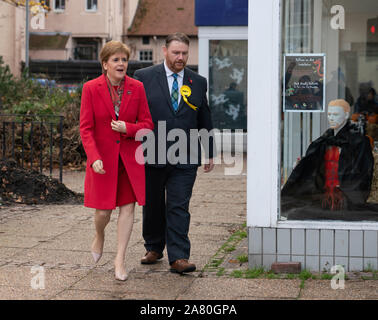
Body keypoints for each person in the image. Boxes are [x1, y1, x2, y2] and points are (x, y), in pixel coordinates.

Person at [134, 33, 216, 274]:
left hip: (186, 155)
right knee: (153, 204)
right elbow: (134, 114)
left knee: (179, 205)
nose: (180, 57)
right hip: (151, 152)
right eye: (176, 53)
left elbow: (204, 117)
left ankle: (179, 256)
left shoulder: (198, 82)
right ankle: (154, 247)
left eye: (184, 53)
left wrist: (209, 151)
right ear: (164, 51)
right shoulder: (143, 77)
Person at [80, 40, 153, 281]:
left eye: (124, 60)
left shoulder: (138, 88)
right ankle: (99, 235)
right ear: (105, 64)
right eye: (116, 60)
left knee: (128, 209)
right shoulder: (91, 88)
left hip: (130, 162)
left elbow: (147, 127)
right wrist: (94, 158)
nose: (121, 64)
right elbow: (86, 129)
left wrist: (128, 128)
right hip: (103, 162)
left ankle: (119, 259)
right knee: (103, 213)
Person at [281, 99, 375, 220]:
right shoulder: (322, 142)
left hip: (347, 202)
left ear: (346, 115)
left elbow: (363, 173)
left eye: (335, 114)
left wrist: (346, 194)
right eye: (329, 114)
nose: (331, 118)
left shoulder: (359, 142)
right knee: (295, 213)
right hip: (321, 199)